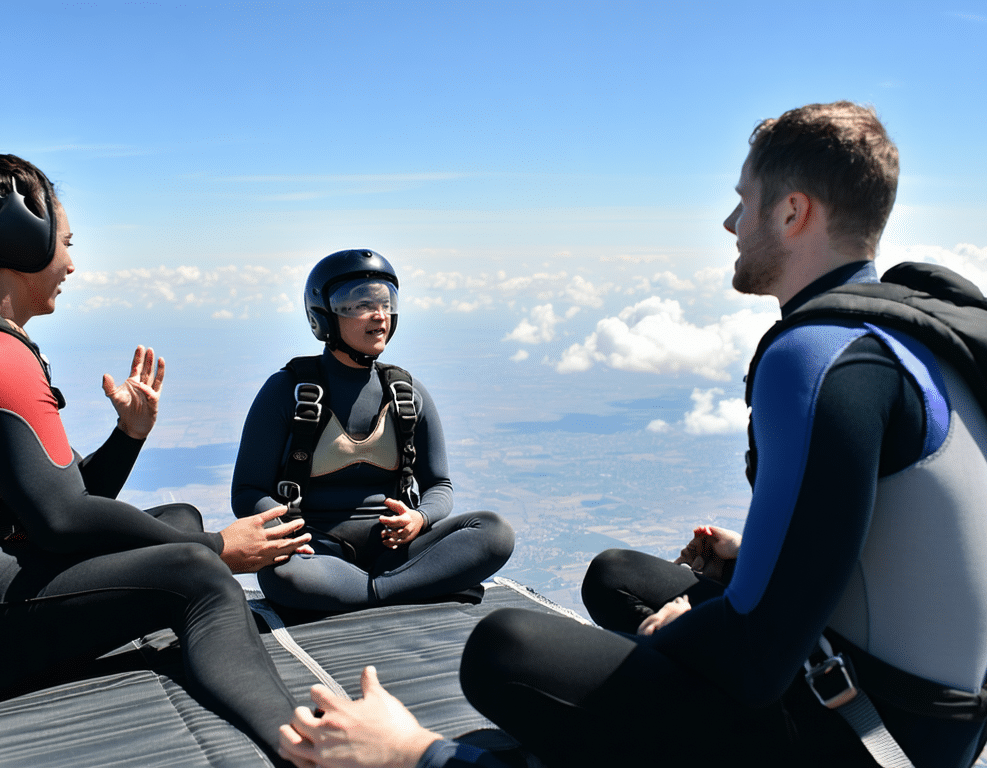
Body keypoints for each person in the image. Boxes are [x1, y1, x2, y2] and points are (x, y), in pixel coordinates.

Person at [277, 103, 987, 768]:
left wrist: (680, 628)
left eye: (746, 200)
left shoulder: (816, 357)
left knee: (506, 647)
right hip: (920, 703)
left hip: (866, 734)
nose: (731, 222)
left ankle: (413, 754)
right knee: (617, 575)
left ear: (795, 211)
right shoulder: (903, 336)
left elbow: (756, 661)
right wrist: (741, 571)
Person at [0, 154, 314, 764]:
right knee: (195, 574)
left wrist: (128, 434)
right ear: (20, 237)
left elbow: (58, 499)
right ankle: (306, 747)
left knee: (177, 518)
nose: (72, 262)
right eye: (64, 243)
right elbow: (63, 521)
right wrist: (220, 552)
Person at [232, 249, 514, 612]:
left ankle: (367, 594)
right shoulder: (287, 391)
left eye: (385, 302)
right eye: (359, 304)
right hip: (315, 553)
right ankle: (406, 589)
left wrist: (419, 518)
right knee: (283, 573)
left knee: (493, 533)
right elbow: (247, 490)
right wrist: (289, 530)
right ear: (324, 316)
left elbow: (439, 485)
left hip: (398, 550)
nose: (379, 315)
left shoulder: (406, 394)